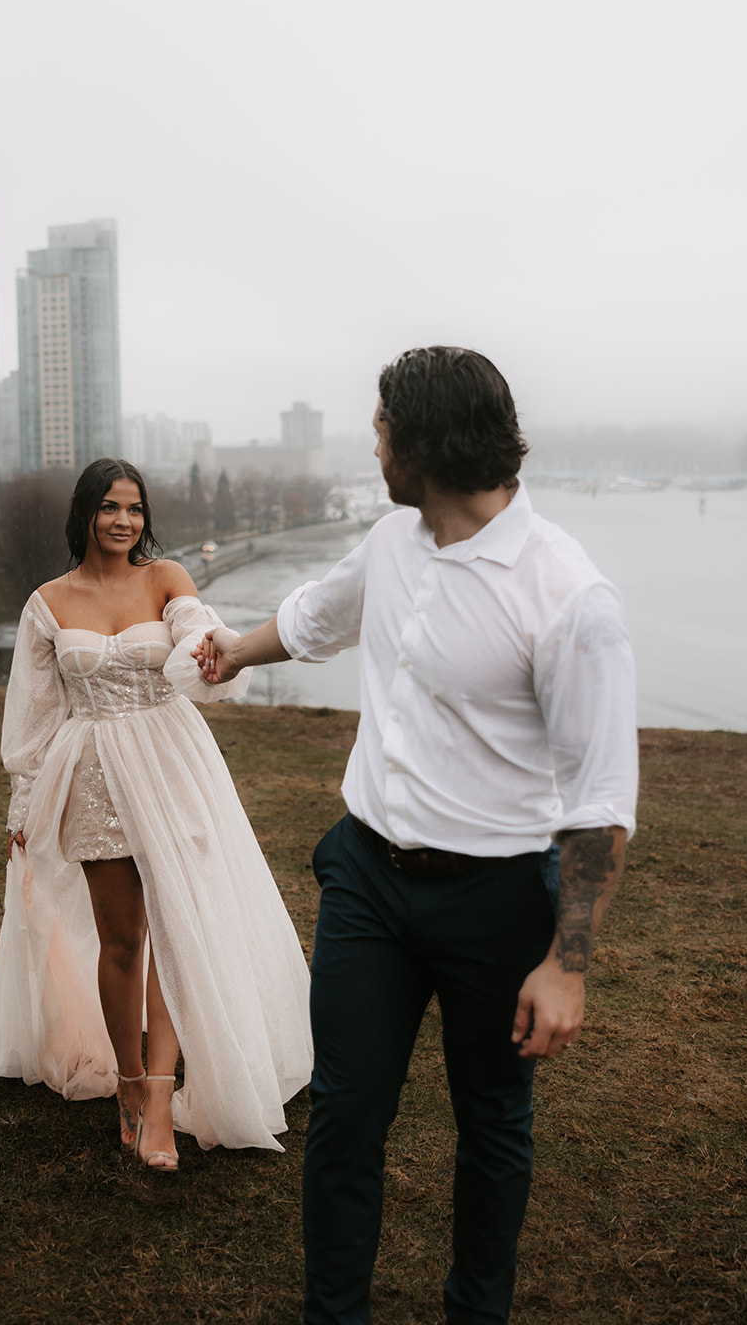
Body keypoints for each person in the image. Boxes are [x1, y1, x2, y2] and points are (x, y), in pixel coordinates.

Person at [197, 347, 638, 1322]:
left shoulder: (568, 597)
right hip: (366, 876)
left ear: (425, 445)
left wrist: (565, 965)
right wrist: (233, 646)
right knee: (345, 1117)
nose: (373, 441)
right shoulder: (393, 542)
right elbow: (317, 616)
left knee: (491, 1126)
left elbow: (601, 802)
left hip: (495, 900)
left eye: (382, 425)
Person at [0, 458, 313, 1169]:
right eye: (108, 507)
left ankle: (161, 1096)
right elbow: (34, 717)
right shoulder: (47, 602)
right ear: (85, 515)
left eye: (133, 508)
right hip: (92, 774)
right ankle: (128, 1084)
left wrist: (211, 650)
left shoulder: (167, 580)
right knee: (122, 938)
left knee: (175, 927)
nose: (123, 520)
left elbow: (197, 634)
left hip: (171, 766)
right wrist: (22, 806)